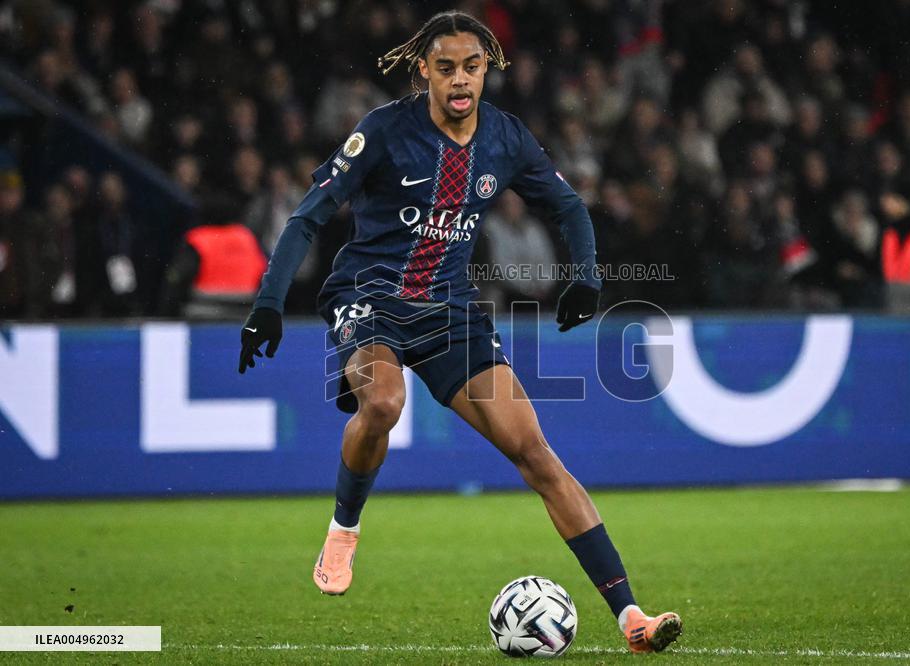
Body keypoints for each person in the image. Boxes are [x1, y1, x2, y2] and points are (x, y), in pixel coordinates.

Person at [237, 11, 682, 654]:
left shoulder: (505, 138)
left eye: (470, 66)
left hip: (449, 311)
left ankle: (631, 617)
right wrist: (269, 303)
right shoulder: (385, 130)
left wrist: (586, 277)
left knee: (536, 453)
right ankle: (344, 525)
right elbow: (309, 217)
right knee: (384, 402)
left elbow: (566, 205)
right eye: (444, 68)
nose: (459, 80)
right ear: (423, 71)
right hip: (370, 298)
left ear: (486, 68)